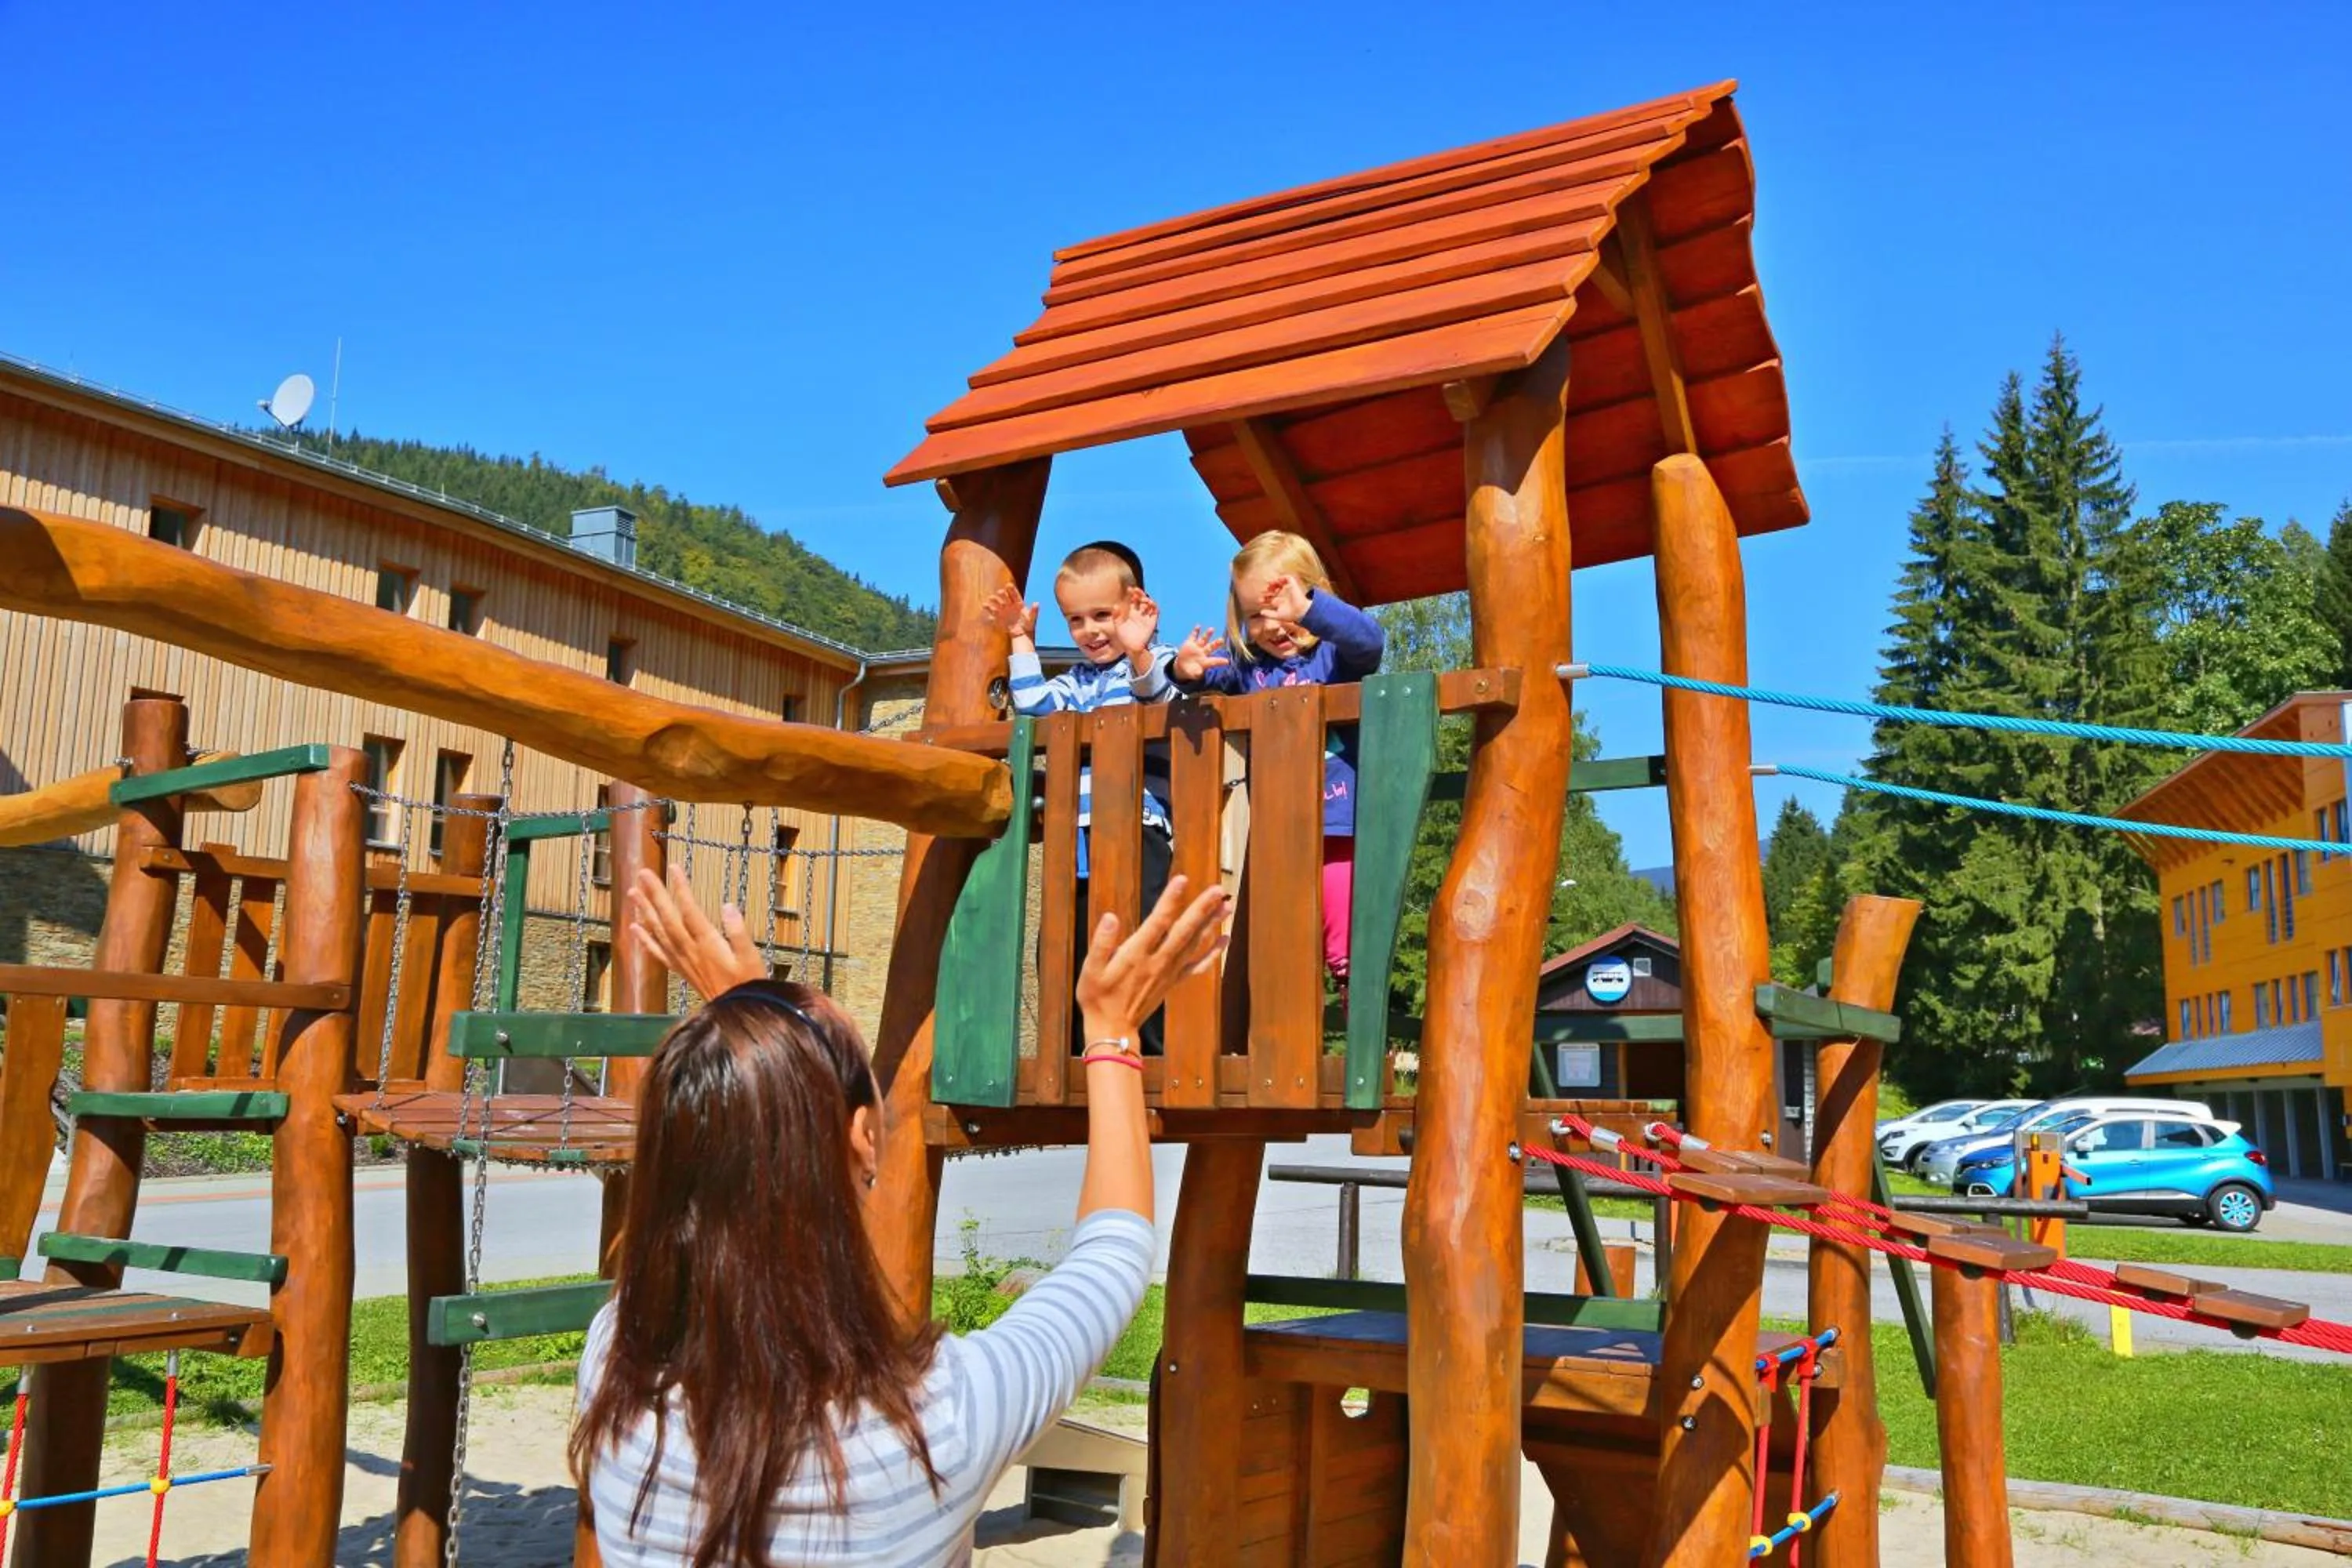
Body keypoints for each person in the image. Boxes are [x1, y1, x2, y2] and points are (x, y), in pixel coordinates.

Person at [572, 865, 1227, 1567]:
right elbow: (1113, 1255)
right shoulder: (939, 1420)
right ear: (863, 1139)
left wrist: (753, 1047)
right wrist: (1114, 1033)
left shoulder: (619, 1368)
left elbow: (734, 1176)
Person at [1151, 528, 1383, 989]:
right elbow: (1205, 686)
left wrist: (1312, 611)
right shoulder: (1250, 670)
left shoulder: (1336, 659)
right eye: (1255, 615)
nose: (1272, 625)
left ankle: (1360, 1030)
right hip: (1279, 831)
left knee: (1345, 946)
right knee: (1284, 941)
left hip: (1339, 826)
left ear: (1311, 594)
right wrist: (1184, 670)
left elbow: (1370, 642)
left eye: (1281, 607)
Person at [984, 541, 1177, 1053]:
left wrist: (1138, 649)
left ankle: (1150, 1045)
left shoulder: (1156, 660)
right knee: (1074, 936)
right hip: (1081, 832)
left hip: (1140, 825)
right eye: (1075, 620)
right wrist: (1021, 637)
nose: (1089, 631)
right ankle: (1079, 1045)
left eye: (1102, 615)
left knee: (1138, 932)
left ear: (1137, 607)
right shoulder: (1077, 681)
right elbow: (1036, 708)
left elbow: (1158, 696)